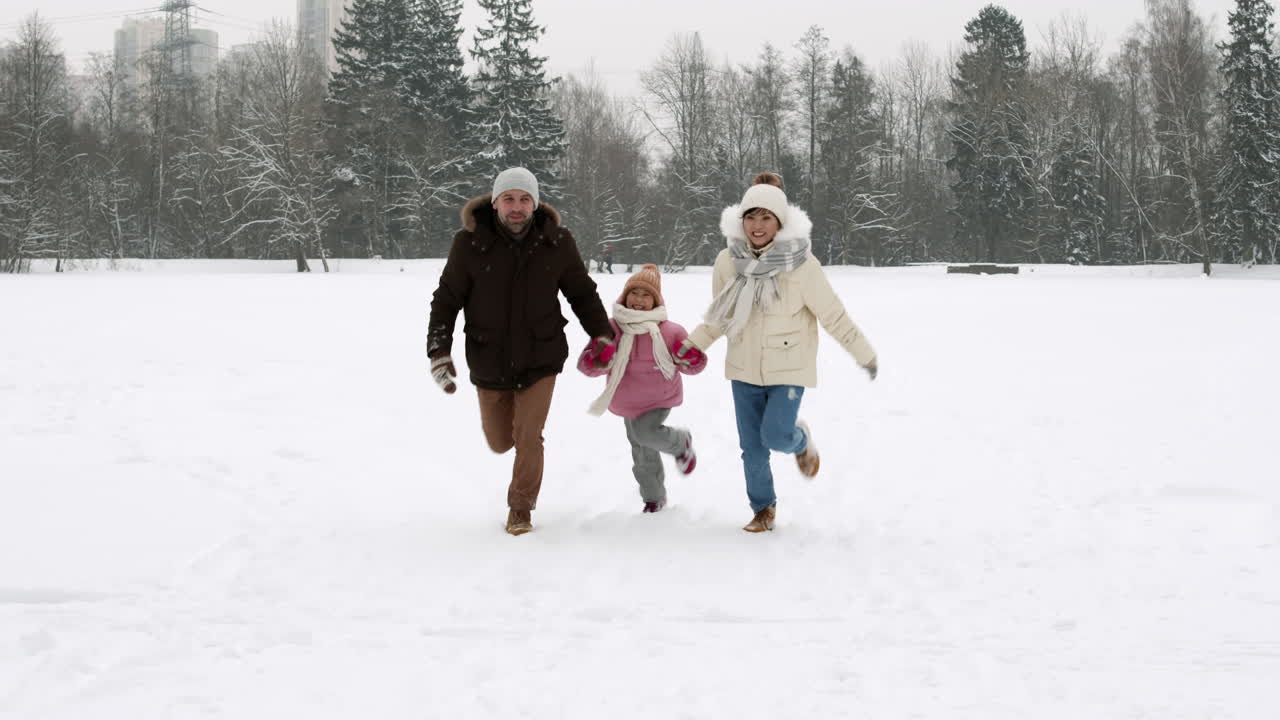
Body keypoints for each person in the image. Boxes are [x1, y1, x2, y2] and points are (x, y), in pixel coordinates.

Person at [680, 172, 878, 533]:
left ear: (780, 222)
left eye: (766, 217)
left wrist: (863, 352)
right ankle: (763, 509)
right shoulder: (728, 262)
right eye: (751, 217)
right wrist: (690, 347)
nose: (757, 226)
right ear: (741, 221)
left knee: (776, 435)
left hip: (789, 366)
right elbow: (720, 315)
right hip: (743, 368)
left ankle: (799, 440)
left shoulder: (802, 265)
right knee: (752, 448)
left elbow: (832, 314)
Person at [427, 167, 613, 536]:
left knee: (530, 435)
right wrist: (439, 351)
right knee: (500, 441)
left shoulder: (557, 241)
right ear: (495, 202)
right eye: (509, 199)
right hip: (487, 356)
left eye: (525, 199)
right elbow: (446, 299)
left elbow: (581, 292)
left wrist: (601, 335)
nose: (517, 207)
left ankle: (521, 508)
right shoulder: (469, 243)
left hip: (541, 355)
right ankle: (509, 444)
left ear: (536, 203)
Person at [577, 264, 706, 513]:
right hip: (626, 402)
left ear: (656, 301)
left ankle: (681, 443)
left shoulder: (671, 331)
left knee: (646, 433)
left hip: (660, 398)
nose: (638, 299)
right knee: (642, 452)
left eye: (646, 294)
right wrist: (599, 358)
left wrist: (691, 357)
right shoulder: (610, 328)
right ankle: (654, 499)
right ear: (624, 296)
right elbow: (587, 366)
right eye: (633, 293)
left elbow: (691, 365)